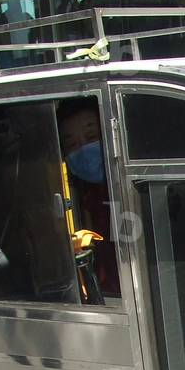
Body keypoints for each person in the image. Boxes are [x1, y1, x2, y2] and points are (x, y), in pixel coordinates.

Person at [56, 98, 119, 298]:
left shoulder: (130, 189)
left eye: (91, 137)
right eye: (72, 144)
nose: (83, 149)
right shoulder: (81, 197)